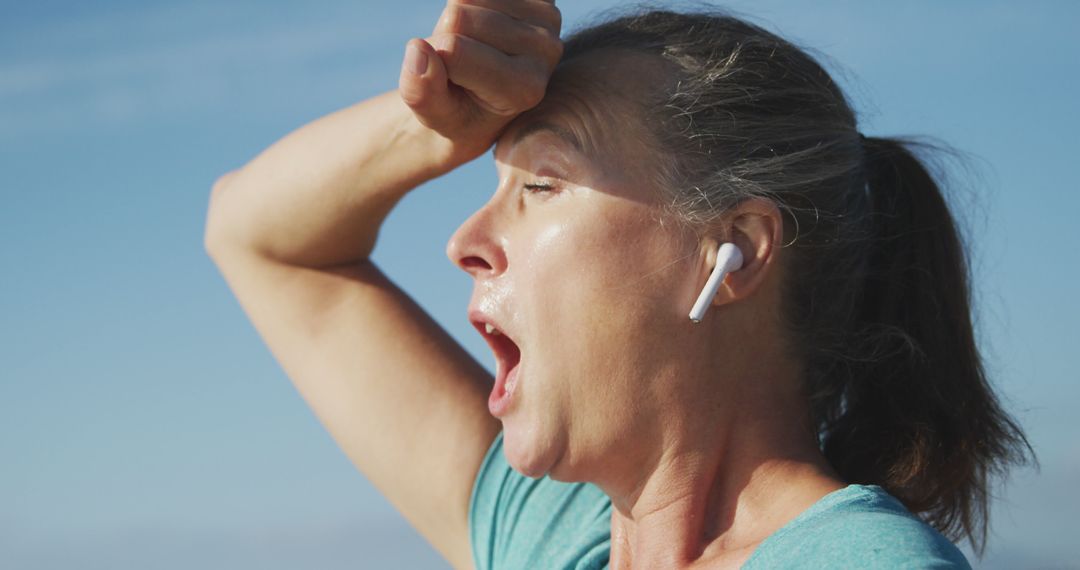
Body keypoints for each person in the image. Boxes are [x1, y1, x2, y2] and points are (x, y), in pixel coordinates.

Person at [203, 2, 1033, 568]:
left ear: (730, 250)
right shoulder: (556, 538)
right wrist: (430, 122)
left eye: (541, 184)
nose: (463, 242)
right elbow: (255, 234)